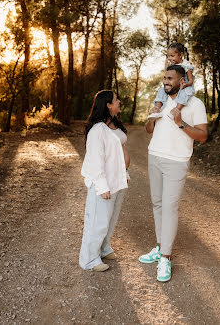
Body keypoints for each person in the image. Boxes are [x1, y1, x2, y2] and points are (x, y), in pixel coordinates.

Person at [139, 65, 208, 282]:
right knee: (158, 204)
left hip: (176, 161)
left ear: (181, 81)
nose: (166, 81)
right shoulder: (160, 101)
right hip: (154, 156)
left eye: (170, 78)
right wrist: (151, 118)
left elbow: (203, 136)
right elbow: (149, 130)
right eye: (164, 78)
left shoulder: (195, 104)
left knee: (169, 207)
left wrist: (181, 124)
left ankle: (166, 258)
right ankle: (160, 248)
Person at [79, 90, 130, 272]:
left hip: (118, 179)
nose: (119, 102)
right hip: (104, 183)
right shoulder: (97, 130)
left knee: (111, 218)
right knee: (97, 221)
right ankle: (89, 259)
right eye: (116, 99)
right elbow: (95, 160)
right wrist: (102, 186)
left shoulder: (114, 124)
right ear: (108, 104)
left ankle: (103, 248)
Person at [150, 42, 195, 120]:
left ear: (180, 55)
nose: (170, 58)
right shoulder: (171, 65)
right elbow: (167, 76)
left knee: (185, 93)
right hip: (174, 86)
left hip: (185, 86)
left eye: (172, 56)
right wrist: (166, 67)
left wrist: (185, 85)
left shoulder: (186, 65)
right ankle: (157, 109)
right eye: (168, 56)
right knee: (161, 90)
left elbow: (191, 80)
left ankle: (177, 109)